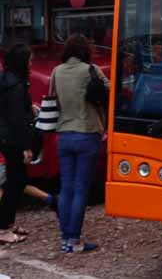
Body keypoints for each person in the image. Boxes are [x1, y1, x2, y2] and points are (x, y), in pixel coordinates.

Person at [52, 34, 108, 253]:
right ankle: (74, 240)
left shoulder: (57, 71)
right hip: (87, 134)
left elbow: (53, 99)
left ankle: (65, 238)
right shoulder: (91, 70)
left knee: (65, 188)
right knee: (80, 189)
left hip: (64, 135)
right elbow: (110, 92)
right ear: (86, 50)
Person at [0, 44, 34, 244]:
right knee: (15, 182)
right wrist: (26, 146)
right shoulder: (18, 86)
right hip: (13, 139)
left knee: (16, 181)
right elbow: (17, 119)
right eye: (29, 60)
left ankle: (8, 222)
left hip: (4, 136)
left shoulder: (6, 80)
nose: (31, 63)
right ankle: (3, 227)